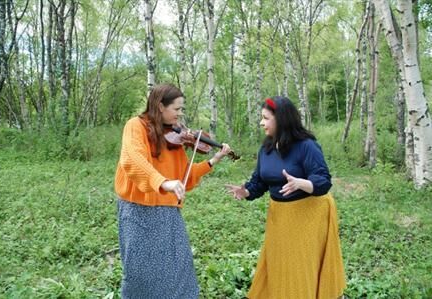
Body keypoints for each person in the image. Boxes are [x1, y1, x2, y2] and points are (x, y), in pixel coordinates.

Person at [114, 83, 231, 299]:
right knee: (141, 272)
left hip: (167, 213)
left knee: (177, 269)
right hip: (137, 211)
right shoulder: (135, 126)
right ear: (160, 106)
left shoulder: (175, 138)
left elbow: (184, 177)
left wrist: (213, 160)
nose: (180, 115)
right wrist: (163, 182)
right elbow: (133, 159)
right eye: (176, 109)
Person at [225, 96, 346, 299]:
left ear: (281, 119)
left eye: (265, 118)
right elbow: (260, 181)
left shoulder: (306, 146)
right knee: (280, 262)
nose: (261, 123)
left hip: (309, 215)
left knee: (301, 266)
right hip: (280, 216)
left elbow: (323, 180)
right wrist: (246, 191)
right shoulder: (266, 149)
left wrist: (301, 183)